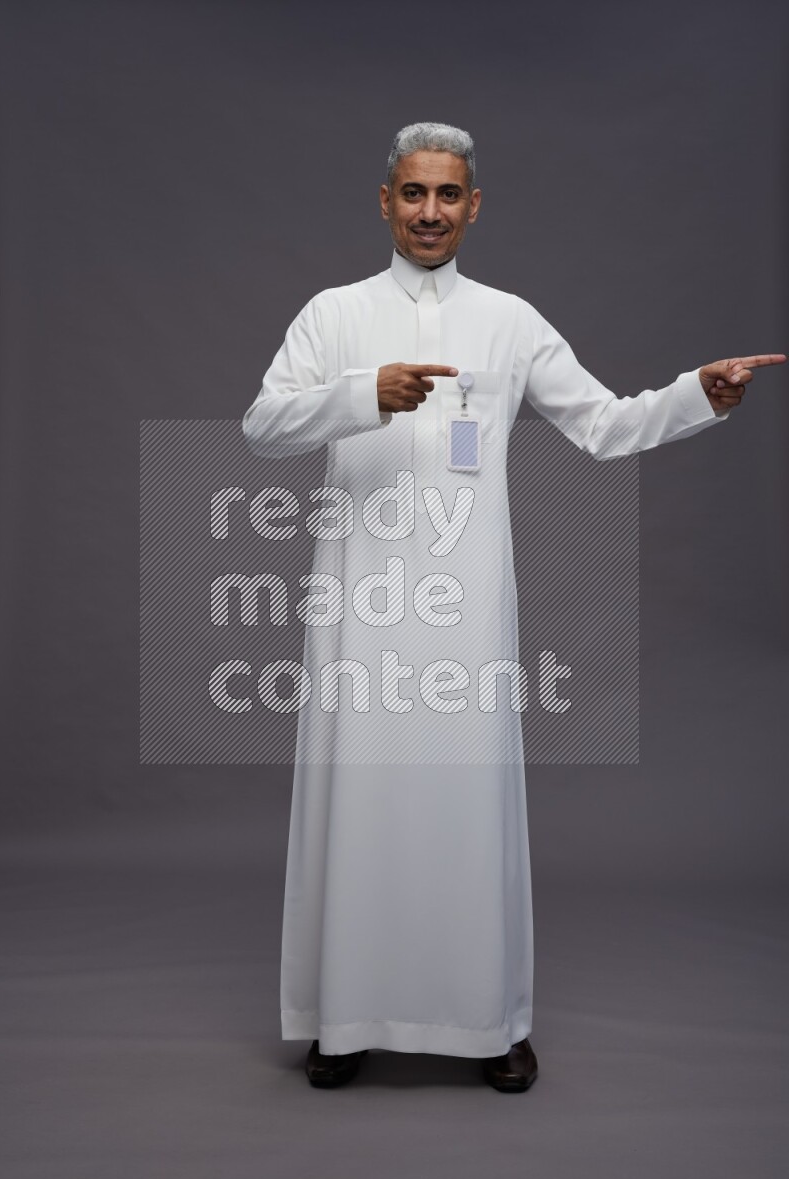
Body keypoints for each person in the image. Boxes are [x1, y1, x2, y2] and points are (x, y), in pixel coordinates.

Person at [241, 122, 784, 1091]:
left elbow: (604, 427)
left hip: (464, 612)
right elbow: (265, 426)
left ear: (473, 207)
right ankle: (343, 1018)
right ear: (384, 202)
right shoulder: (332, 315)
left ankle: (487, 1024)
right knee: (356, 803)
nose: (430, 213)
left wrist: (695, 394)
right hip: (360, 604)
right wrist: (364, 393)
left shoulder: (508, 320)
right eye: (413, 194)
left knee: (466, 806)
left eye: (448, 196)